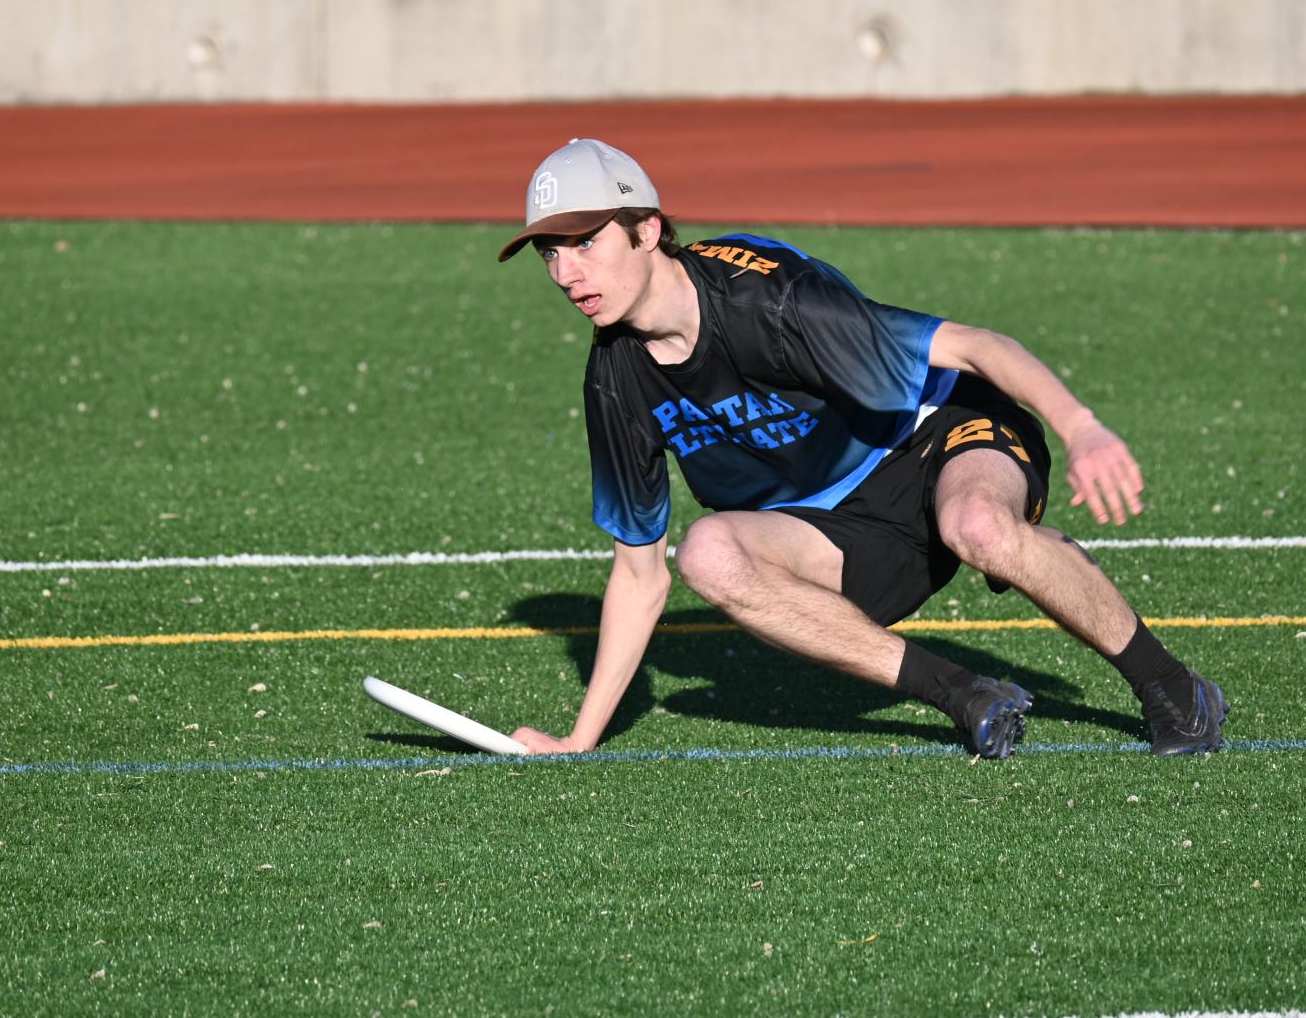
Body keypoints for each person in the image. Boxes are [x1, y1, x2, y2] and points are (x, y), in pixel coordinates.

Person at [497, 138, 1225, 760]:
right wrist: (579, 738)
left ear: (647, 231)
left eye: (585, 243)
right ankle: (961, 694)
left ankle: (1171, 687)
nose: (565, 275)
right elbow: (638, 575)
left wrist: (1081, 427)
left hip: (935, 432)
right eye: (549, 254)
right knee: (707, 554)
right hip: (839, 523)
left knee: (977, 528)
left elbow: (974, 346)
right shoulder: (616, 379)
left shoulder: (772, 302)